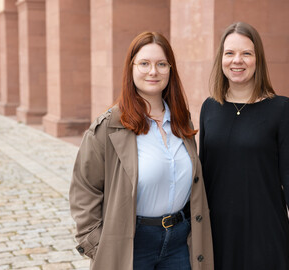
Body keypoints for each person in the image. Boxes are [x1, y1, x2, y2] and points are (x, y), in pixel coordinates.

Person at [70, 31, 213, 270]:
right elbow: (84, 188)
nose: (153, 71)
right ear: (131, 68)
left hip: (180, 242)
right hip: (132, 245)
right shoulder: (109, 126)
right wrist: (97, 244)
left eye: (161, 64)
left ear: (170, 69)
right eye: (144, 63)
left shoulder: (181, 121)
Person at [199, 22, 289, 270]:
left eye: (246, 53)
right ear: (221, 59)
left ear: (257, 59)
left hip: (265, 228)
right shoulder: (209, 108)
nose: (237, 60)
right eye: (230, 53)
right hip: (218, 230)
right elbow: (204, 171)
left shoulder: (282, 109)